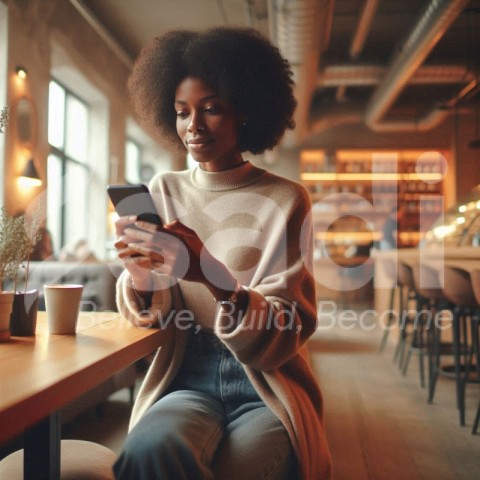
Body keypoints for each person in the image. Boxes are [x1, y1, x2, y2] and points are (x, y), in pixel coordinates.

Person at [113, 27, 332, 479]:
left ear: (246, 112)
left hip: (265, 382)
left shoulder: (287, 198)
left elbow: (287, 328)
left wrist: (209, 272)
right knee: (148, 451)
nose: (193, 126)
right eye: (181, 112)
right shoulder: (162, 190)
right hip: (185, 373)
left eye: (210, 109)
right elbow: (150, 315)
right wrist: (140, 278)